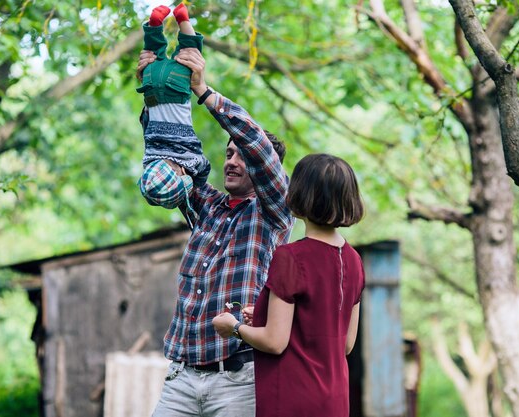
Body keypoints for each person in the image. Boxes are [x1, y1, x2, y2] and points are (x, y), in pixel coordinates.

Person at [136, 41, 294, 417]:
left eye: (241, 155)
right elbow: (168, 157)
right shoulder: (206, 206)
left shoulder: (275, 212)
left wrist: (204, 92)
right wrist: (154, 92)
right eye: (228, 154)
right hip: (182, 378)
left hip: (238, 380)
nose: (232, 162)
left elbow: (255, 142)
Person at [213, 153, 366, 417]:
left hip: (292, 399)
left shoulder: (291, 257)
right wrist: (262, 315)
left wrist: (234, 327)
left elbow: (274, 341)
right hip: (335, 401)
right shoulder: (354, 260)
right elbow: (344, 343)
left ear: (301, 194)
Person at [137, 3, 210, 187]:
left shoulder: (191, 159)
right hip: (152, 87)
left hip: (177, 91)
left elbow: (203, 172)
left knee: (190, 51)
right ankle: (154, 24)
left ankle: (183, 18)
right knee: (153, 52)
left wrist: (189, 176)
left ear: (182, 174)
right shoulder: (150, 161)